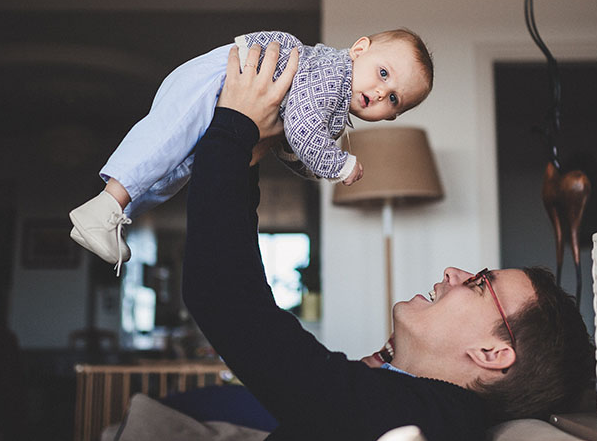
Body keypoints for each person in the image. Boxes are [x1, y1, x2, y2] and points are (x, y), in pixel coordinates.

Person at [182, 42, 595, 441]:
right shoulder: (412, 403)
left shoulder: (425, 419)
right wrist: (249, 157)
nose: (454, 272)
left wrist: (233, 131)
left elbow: (227, 301)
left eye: (479, 284)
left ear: (492, 353)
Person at [69, 29, 434, 273]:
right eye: (383, 73)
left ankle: (113, 216)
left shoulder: (336, 106)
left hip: (231, 103)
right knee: (166, 142)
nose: (380, 92)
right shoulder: (332, 73)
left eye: (393, 99)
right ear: (359, 50)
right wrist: (338, 164)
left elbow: (293, 145)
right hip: (220, 77)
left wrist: (312, 164)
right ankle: (105, 205)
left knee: (174, 172)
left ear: (392, 116)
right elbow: (303, 130)